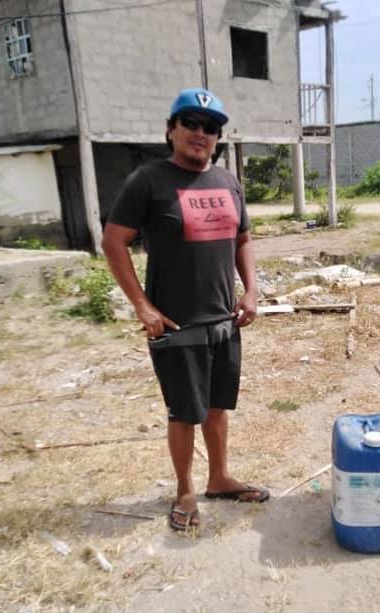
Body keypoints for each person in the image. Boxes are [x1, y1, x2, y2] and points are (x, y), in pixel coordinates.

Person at [102, 88, 267, 532]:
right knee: (183, 412)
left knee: (217, 407)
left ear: (218, 137)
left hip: (223, 320)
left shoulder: (228, 182)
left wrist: (251, 290)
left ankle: (219, 478)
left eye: (210, 127)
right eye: (190, 123)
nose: (200, 133)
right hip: (176, 324)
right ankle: (185, 490)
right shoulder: (149, 181)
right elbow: (113, 241)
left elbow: (243, 239)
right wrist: (142, 305)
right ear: (171, 130)